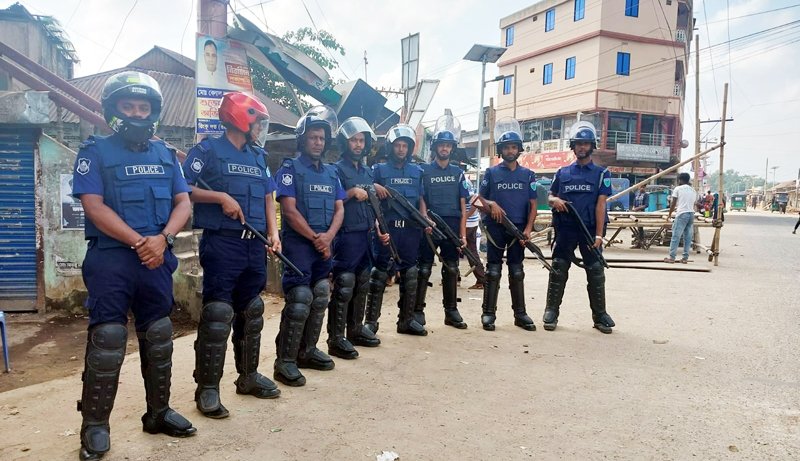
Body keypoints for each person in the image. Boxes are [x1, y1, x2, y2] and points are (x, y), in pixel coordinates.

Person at [72, 71, 196, 460]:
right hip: (112, 259)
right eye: (129, 106)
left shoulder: (165, 154)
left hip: (157, 257)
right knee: (108, 340)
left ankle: (158, 413)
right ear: (114, 111)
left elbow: (184, 203)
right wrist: (140, 242)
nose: (138, 114)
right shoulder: (95, 151)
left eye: (144, 107)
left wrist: (164, 239)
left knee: (158, 334)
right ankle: (94, 426)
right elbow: (93, 205)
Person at [182, 92, 281, 419]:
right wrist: (219, 196)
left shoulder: (258, 156)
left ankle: (248, 376)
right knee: (219, 313)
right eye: (257, 121)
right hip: (223, 242)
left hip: (254, 244)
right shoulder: (207, 151)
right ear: (240, 118)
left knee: (251, 310)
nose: (259, 128)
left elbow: (269, 196)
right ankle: (208, 388)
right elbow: (183, 188)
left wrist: (273, 233)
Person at [274, 106, 345, 387]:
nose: (318, 142)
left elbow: (340, 208)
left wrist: (327, 237)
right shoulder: (290, 169)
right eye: (313, 137)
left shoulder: (331, 173)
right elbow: (289, 210)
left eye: (321, 138)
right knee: (300, 298)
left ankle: (308, 350)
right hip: (299, 246)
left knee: (321, 293)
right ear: (303, 140)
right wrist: (316, 238)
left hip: (325, 245)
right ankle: (285, 362)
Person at [543, 121, 616, 334]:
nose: (582, 147)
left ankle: (600, 315)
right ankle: (551, 312)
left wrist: (600, 235)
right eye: (578, 144)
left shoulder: (602, 174)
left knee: (595, 271)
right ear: (572, 147)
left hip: (590, 229)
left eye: (586, 143)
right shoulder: (562, 172)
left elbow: (601, 204)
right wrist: (554, 200)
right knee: (558, 268)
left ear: (592, 146)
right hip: (566, 228)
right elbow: (549, 196)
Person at [368, 124, 429, 338]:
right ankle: (371, 323)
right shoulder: (378, 170)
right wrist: (374, 187)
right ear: (390, 147)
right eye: (398, 145)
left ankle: (406, 320)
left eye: (405, 145)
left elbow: (421, 198)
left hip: (411, 230)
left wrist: (424, 219)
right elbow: (369, 196)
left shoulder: (417, 171)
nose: (401, 149)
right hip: (387, 229)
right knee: (379, 274)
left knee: (411, 274)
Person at [477, 117, 538, 332]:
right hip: (496, 228)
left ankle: (520, 314)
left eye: (513, 147)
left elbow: (533, 206)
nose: (510, 151)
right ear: (500, 150)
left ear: (519, 150)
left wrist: (529, 230)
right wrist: (491, 204)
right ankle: (488, 313)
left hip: (518, 229)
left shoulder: (528, 175)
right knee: (493, 271)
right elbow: (478, 200)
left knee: (517, 271)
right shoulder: (491, 173)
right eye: (506, 147)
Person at [328, 117, 381, 358]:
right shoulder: (336, 169)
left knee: (362, 282)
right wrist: (350, 192)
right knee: (344, 285)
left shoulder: (367, 171)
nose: (358, 145)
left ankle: (356, 329)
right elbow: (331, 200)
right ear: (345, 142)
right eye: (354, 140)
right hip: (346, 235)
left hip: (366, 234)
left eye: (361, 140)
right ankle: (336, 338)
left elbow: (372, 203)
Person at [415, 115, 470, 330]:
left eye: (448, 146)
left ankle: (451, 311)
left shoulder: (458, 173)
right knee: (424, 269)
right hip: (430, 226)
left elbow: (464, 205)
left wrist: (463, 235)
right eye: (441, 145)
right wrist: (424, 219)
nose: (444, 149)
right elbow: (421, 198)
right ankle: (418, 311)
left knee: (452, 268)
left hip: (453, 226)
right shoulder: (424, 171)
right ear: (435, 147)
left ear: (451, 148)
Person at [664, 172, 698, 264]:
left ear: (680, 180)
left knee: (676, 236)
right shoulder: (693, 190)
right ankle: (685, 258)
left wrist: (670, 214)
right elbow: (693, 203)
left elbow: (673, 203)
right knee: (687, 237)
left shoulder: (678, 189)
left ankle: (672, 257)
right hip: (691, 214)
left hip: (682, 214)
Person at [465, 182, 486, 289]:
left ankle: (482, 279)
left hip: (467, 223)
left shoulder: (462, 180)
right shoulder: (466, 180)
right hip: (470, 222)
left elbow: (474, 201)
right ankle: (481, 280)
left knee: (469, 251)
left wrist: (465, 217)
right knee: (471, 250)